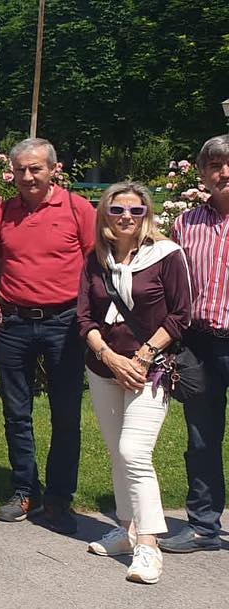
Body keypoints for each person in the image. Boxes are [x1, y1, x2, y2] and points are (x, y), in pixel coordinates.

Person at [78, 182, 190, 585]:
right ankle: (125, 530)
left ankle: (148, 545)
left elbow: (179, 315)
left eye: (135, 211)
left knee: (133, 451)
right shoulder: (96, 259)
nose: (126, 217)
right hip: (104, 367)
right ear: (105, 214)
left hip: (150, 369)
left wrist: (141, 357)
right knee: (115, 451)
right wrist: (108, 356)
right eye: (117, 210)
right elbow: (85, 318)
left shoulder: (166, 255)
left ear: (147, 215)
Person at [0, 138, 94, 534]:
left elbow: (93, 265)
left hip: (65, 323)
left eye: (36, 169)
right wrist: (9, 302)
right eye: (21, 170)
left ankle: (59, 499)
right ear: (12, 172)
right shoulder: (3, 212)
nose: (28, 176)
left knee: (65, 414)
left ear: (53, 169)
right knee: (17, 413)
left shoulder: (77, 209)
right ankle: (24, 489)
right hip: (15, 323)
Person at [164, 134, 229, 554]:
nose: (224, 172)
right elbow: (171, 285)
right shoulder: (185, 223)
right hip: (199, 345)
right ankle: (204, 524)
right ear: (202, 174)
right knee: (202, 437)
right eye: (215, 165)